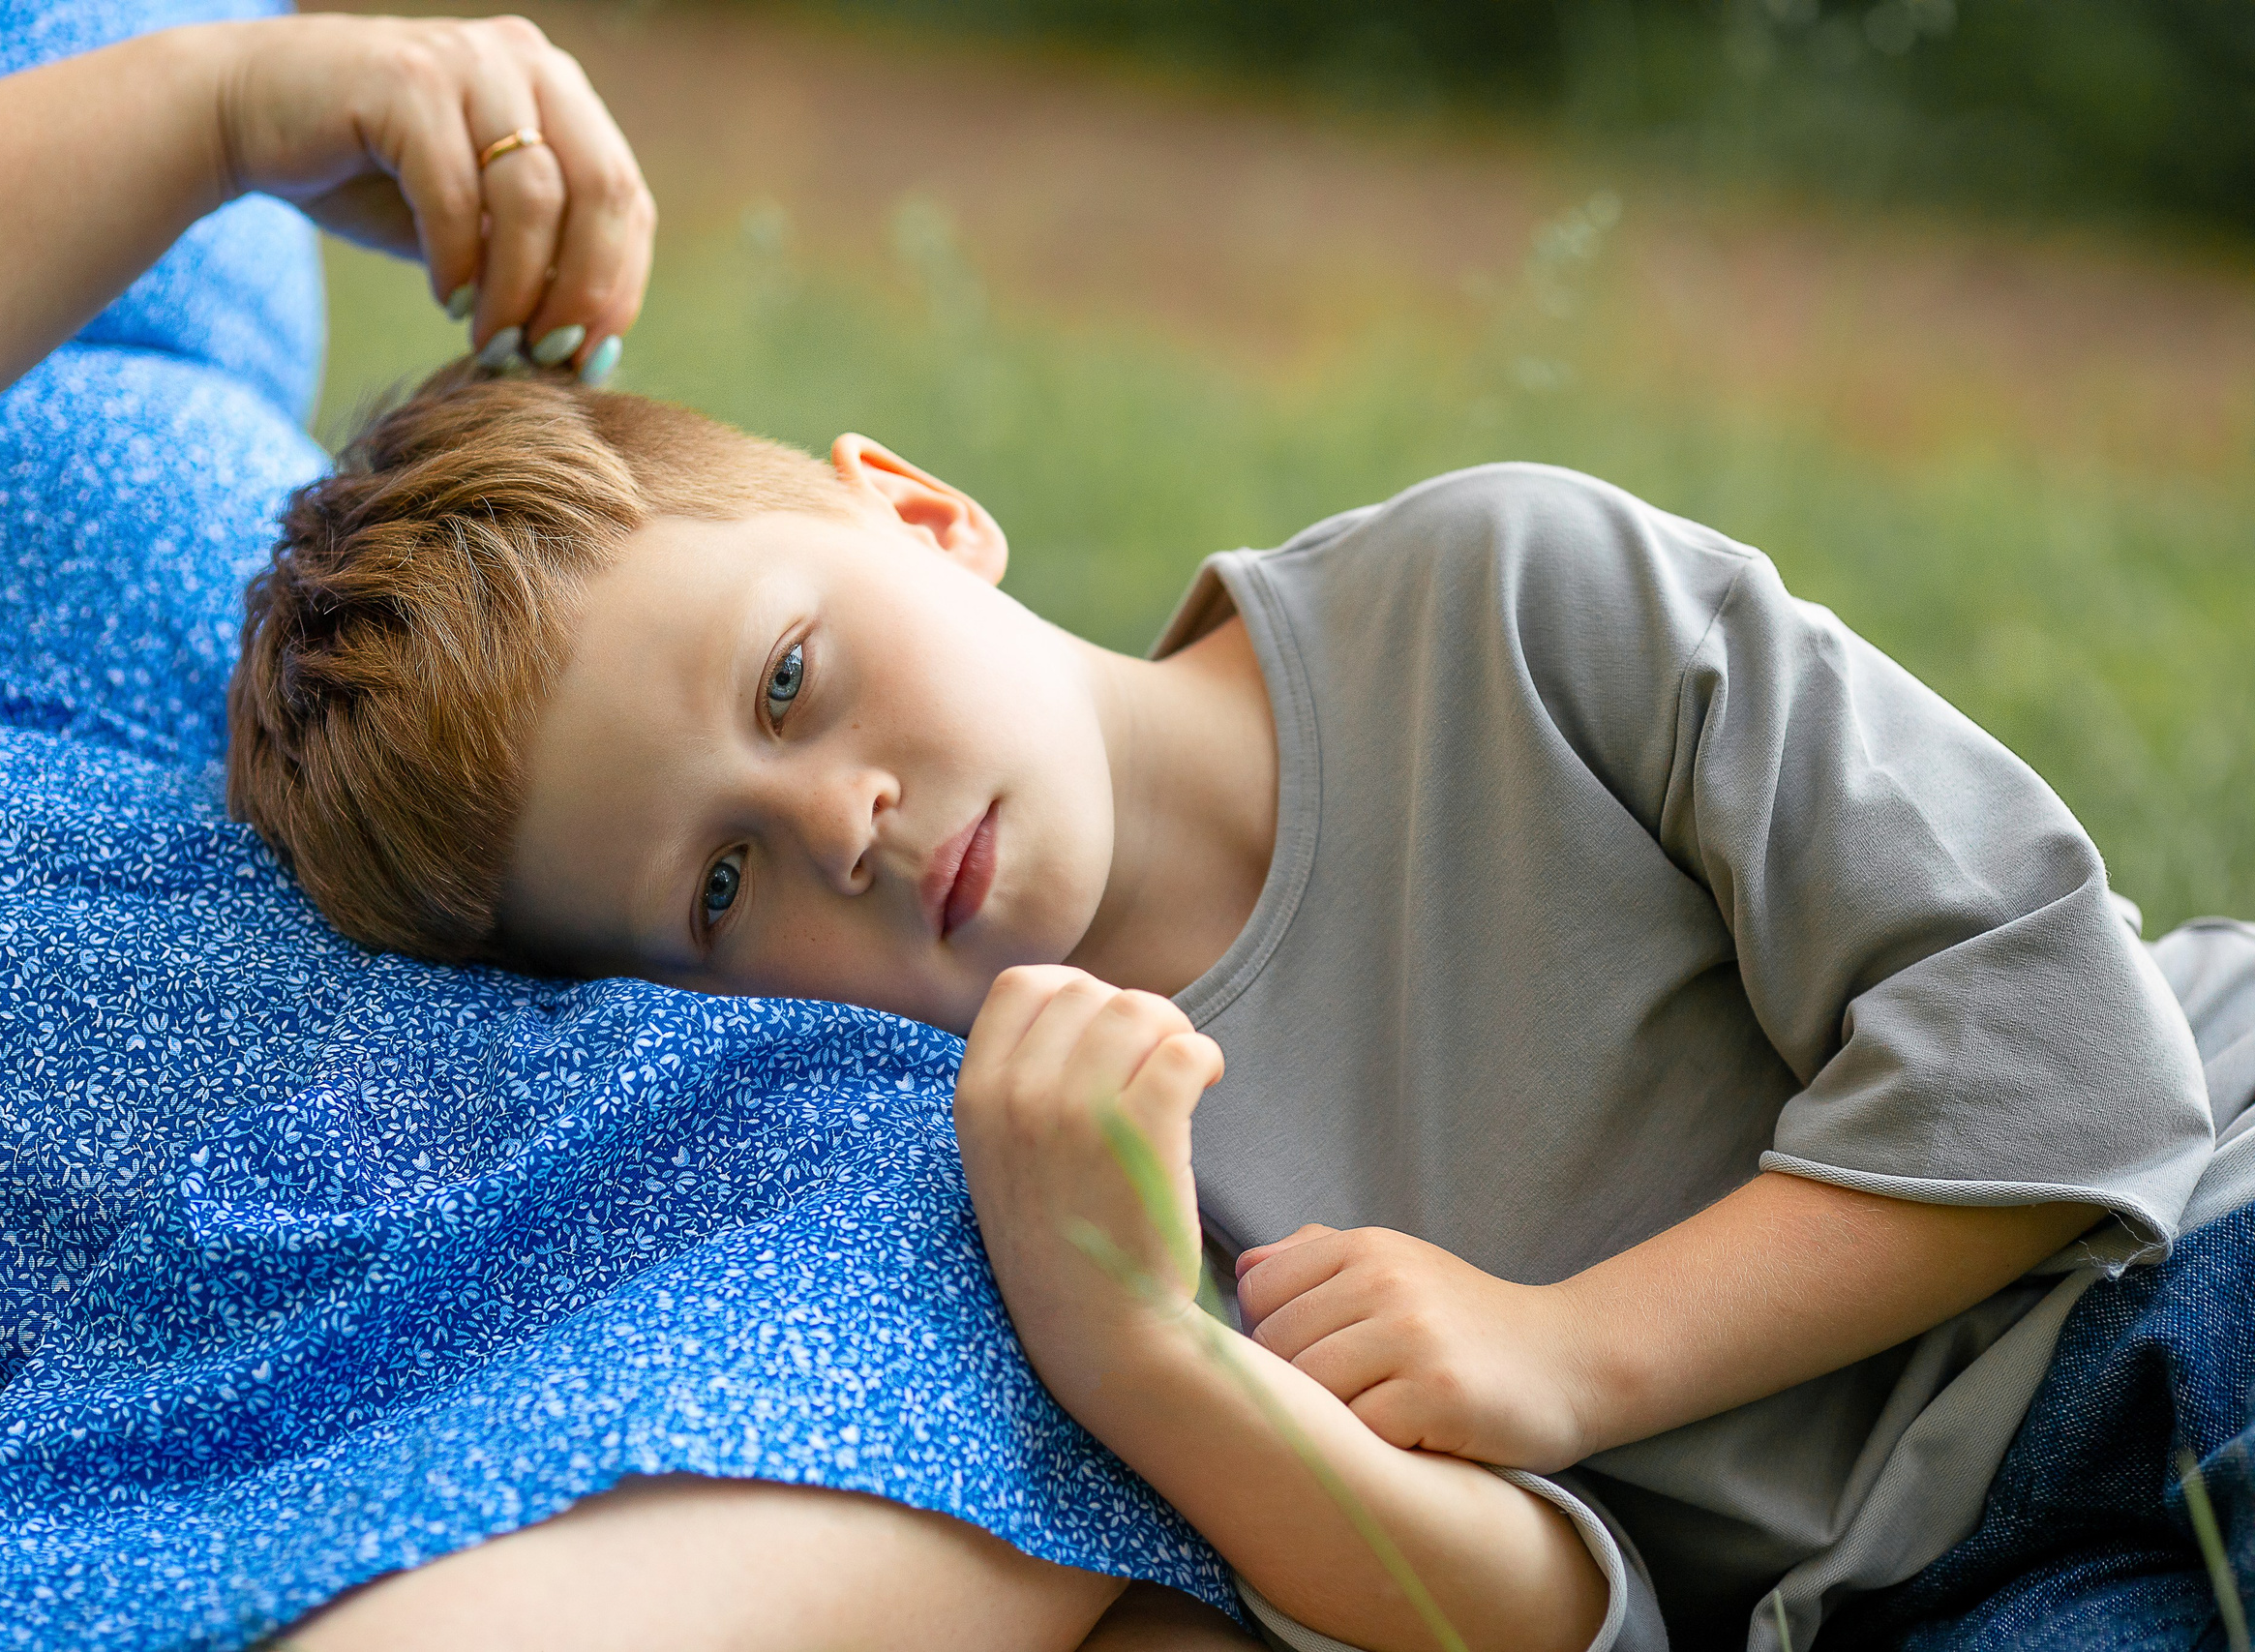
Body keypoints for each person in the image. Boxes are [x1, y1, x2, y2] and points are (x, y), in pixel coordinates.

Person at [229, 360, 2255, 1652]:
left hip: (2171, 1248)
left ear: (916, 511)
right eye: (720, 885)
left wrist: (1564, 1351)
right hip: (1914, 1585)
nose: (838, 820)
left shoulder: (1498, 604)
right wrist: (1145, 1357)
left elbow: (2069, 1048)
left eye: (785, 681)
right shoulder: (1045, 1177)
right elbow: (1585, 1614)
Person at [0, 2, 1262, 1647]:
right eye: (731, 854)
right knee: (890, 1200)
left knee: (959, 1241)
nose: (843, 819)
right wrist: (211, 118)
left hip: (237, 767)